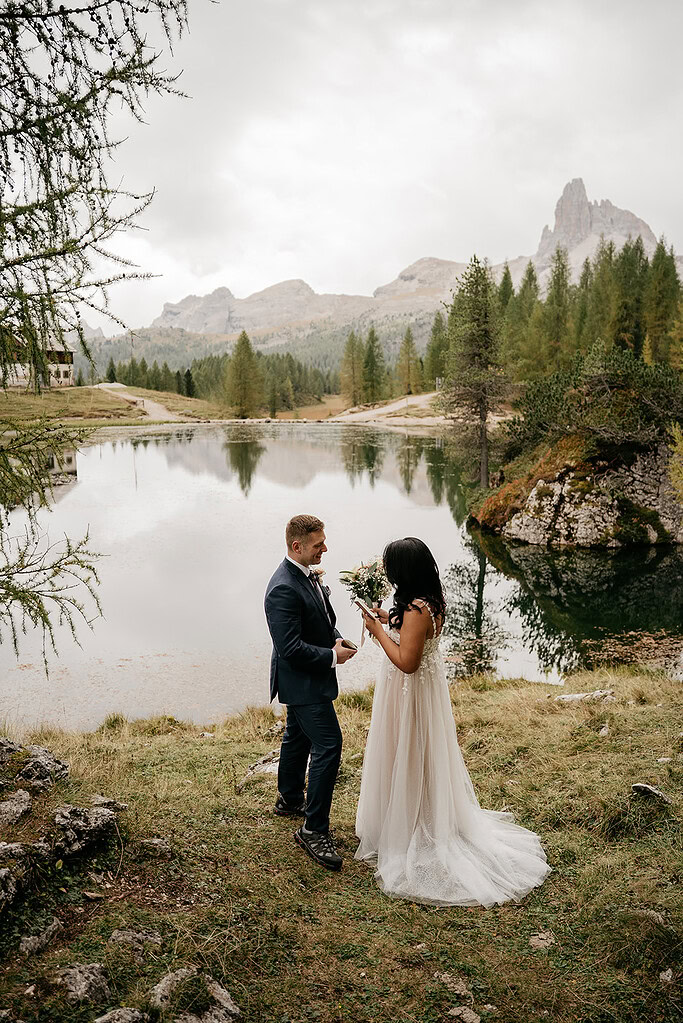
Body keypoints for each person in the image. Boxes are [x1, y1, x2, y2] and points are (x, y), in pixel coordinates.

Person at [355, 537, 551, 906]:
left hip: (410, 696)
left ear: (404, 571)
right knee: (410, 754)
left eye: (391, 566)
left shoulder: (417, 610)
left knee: (411, 754)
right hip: (413, 694)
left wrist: (378, 632)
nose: (388, 572)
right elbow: (407, 638)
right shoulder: (426, 601)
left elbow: (407, 662)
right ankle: (407, 816)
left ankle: (417, 826)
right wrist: (385, 620)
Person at [264, 514, 356, 871]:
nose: (325, 549)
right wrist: (332, 657)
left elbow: (321, 619)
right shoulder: (282, 588)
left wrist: (335, 638)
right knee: (329, 744)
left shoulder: (306, 574)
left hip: (306, 678)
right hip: (301, 682)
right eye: (318, 544)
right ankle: (313, 830)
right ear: (297, 546)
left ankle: (289, 799)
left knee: (298, 736)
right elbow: (289, 649)